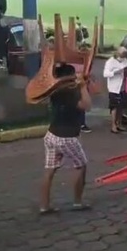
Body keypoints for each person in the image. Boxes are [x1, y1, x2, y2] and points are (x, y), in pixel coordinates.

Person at [39, 64, 93, 214]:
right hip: (67, 137)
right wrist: (82, 87)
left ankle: (44, 206)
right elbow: (87, 105)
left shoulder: (55, 90)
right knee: (81, 165)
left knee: (49, 170)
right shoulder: (70, 92)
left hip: (51, 134)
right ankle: (77, 202)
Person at [103, 47, 127, 134]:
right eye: (122, 55)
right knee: (114, 107)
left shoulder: (125, 60)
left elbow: (126, 68)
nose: (123, 58)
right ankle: (113, 125)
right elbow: (105, 74)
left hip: (122, 86)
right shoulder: (110, 62)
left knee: (121, 106)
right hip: (114, 88)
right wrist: (115, 72)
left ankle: (119, 124)